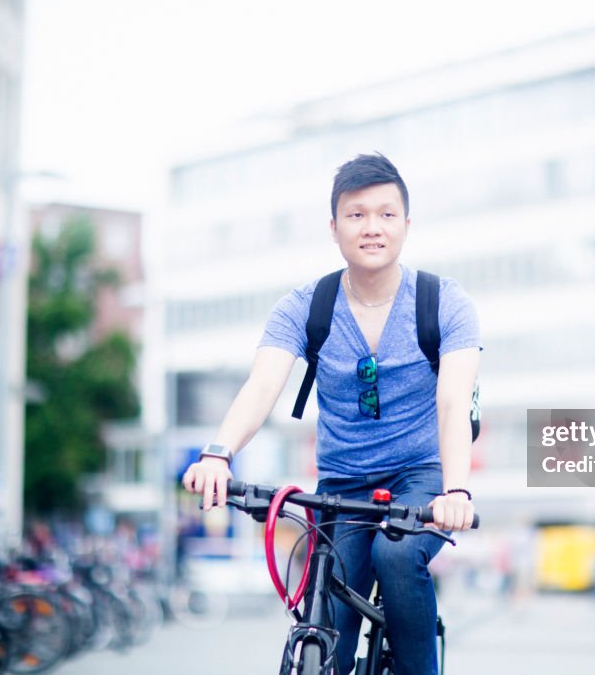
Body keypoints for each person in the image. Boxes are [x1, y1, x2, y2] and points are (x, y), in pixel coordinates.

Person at [181, 153, 480, 675]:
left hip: (421, 476)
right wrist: (217, 453)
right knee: (327, 624)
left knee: (396, 555)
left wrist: (454, 491)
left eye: (387, 215)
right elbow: (262, 386)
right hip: (342, 484)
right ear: (334, 226)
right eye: (356, 214)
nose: (372, 228)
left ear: (406, 225)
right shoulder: (305, 307)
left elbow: (453, 400)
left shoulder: (443, 302)